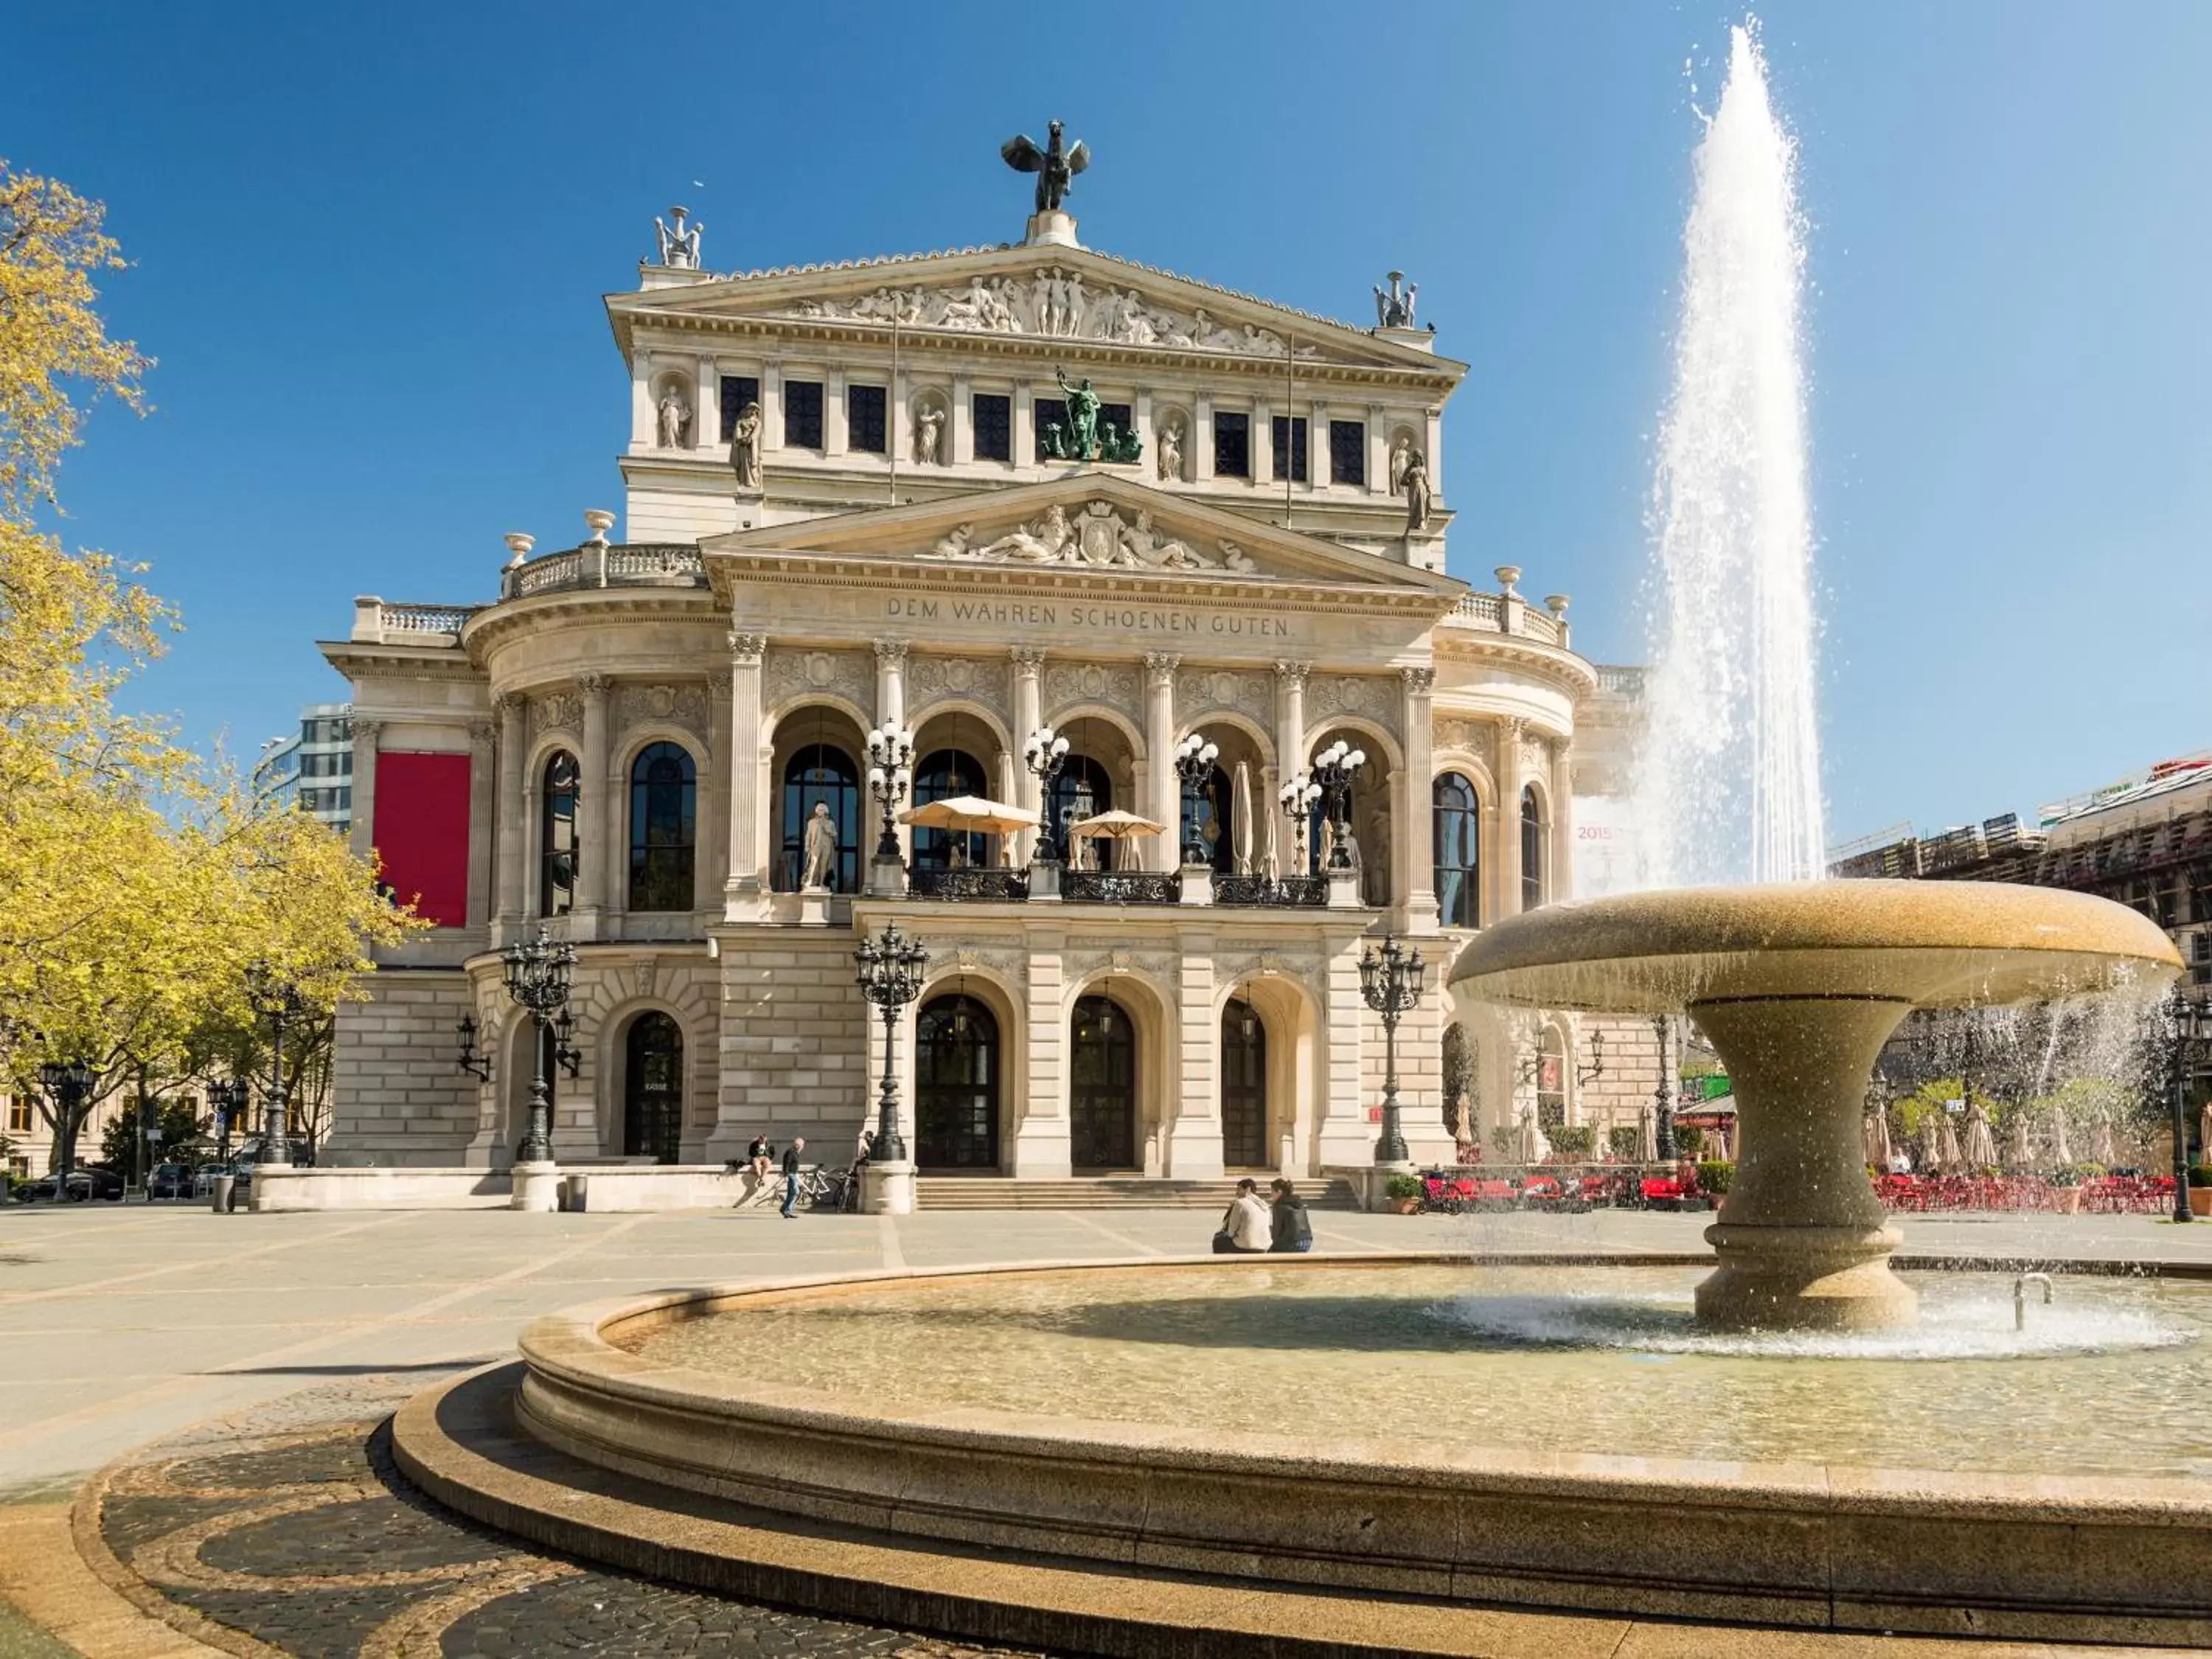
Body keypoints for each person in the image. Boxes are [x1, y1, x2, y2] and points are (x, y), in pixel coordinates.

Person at [1212, 1178, 1273, 1253]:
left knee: (1218, 1240)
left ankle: (1220, 1265)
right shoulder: (1265, 1206)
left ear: (1248, 1189)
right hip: (1265, 1245)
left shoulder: (1240, 1203)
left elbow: (1231, 1232)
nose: (1236, 1193)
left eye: (1239, 1190)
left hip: (1247, 1245)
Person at [1267, 1179, 1312, 1253]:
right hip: (1307, 1241)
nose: (1271, 1194)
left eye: (1272, 1191)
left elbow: (1277, 1231)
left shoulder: (1279, 1206)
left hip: (1293, 1243)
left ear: (1279, 1192)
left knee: (1270, 1253)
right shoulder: (1299, 1204)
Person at [779, 1136, 806, 1219]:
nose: (802, 1147)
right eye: (801, 1145)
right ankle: (786, 1209)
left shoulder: (795, 1152)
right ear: (797, 1145)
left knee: (791, 1194)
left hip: (794, 1174)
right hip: (790, 1175)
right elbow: (787, 1164)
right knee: (796, 1192)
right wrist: (786, 1176)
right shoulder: (791, 1152)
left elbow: (793, 1165)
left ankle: (785, 1210)